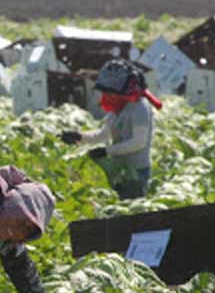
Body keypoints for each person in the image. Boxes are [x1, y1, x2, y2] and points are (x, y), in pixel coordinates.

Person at [59, 59, 161, 200]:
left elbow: (138, 142)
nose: (108, 96)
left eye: (111, 93)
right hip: (120, 168)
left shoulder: (140, 108)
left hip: (136, 172)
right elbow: (103, 135)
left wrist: (107, 151)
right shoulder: (117, 109)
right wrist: (79, 137)